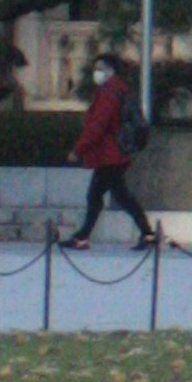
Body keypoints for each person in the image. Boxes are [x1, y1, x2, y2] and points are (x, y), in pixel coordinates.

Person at [71, 46, 156, 251]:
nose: (96, 72)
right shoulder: (119, 90)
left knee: (110, 196)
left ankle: (147, 234)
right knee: (107, 195)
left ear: (110, 71)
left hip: (109, 154)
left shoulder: (108, 93)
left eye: (100, 68)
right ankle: (83, 236)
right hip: (113, 154)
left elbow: (97, 126)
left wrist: (78, 149)